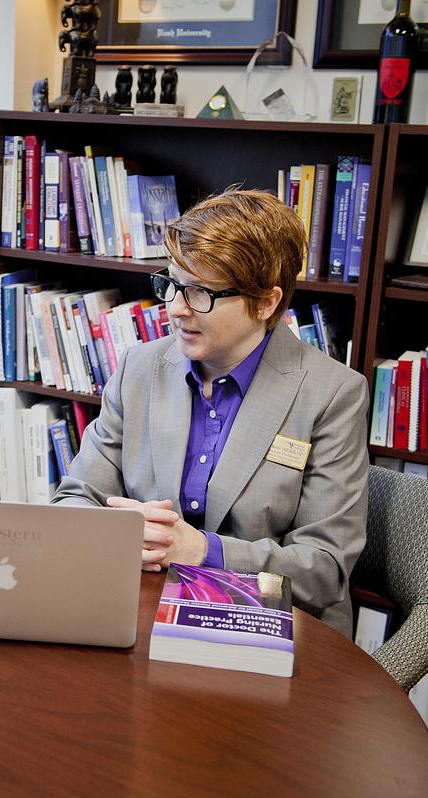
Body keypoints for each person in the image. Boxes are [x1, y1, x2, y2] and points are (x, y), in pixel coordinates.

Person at [52, 187, 369, 636]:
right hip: (141, 610)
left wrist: (201, 550)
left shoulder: (332, 394)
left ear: (266, 302)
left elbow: (323, 570)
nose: (176, 309)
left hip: (266, 623)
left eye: (201, 291)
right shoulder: (139, 368)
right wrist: (116, 533)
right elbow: (73, 501)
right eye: (173, 285)